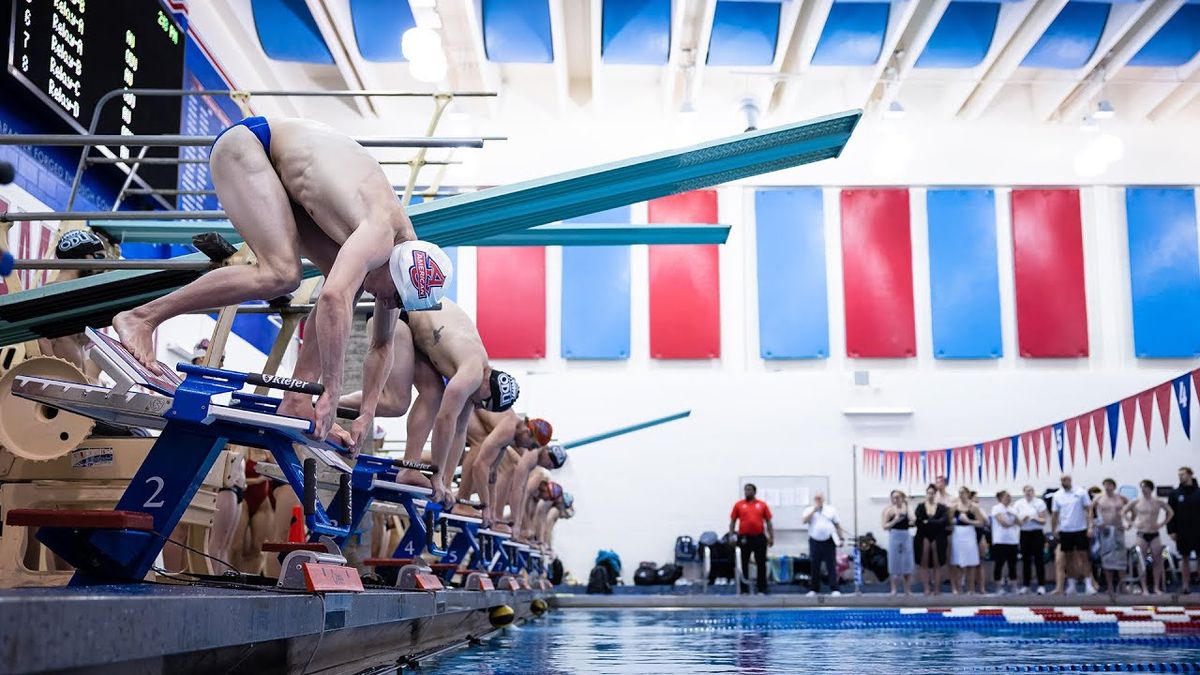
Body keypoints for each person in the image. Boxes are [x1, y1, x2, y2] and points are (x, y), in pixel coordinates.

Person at [111, 117, 451, 452]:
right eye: (392, 297)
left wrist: (367, 411)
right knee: (281, 274)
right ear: (392, 265)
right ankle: (142, 317)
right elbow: (332, 297)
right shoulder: (379, 233)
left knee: (344, 280)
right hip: (249, 147)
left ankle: (296, 397)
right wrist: (331, 391)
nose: (388, 304)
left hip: (286, 181)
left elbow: (382, 345)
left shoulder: (404, 260)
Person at [402, 299, 521, 507]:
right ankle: (334, 405)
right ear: (486, 395)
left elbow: (459, 431)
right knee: (394, 402)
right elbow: (444, 421)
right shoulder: (472, 374)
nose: (477, 407)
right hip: (401, 308)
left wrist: (446, 484)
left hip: (418, 327)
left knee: (432, 395)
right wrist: (436, 477)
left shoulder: (478, 376)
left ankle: (410, 468)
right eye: (482, 404)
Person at [457, 411, 552, 526]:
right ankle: (460, 502)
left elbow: (492, 474)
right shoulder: (509, 430)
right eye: (533, 446)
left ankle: (455, 494)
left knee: (491, 462)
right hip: (469, 404)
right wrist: (485, 506)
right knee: (479, 445)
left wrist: (490, 509)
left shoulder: (510, 435)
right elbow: (479, 466)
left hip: (473, 407)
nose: (530, 450)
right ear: (528, 432)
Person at [505, 444, 568, 539]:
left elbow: (531, 515)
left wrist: (530, 531)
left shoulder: (536, 496)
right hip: (505, 459)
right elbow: (522, 496)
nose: (545, 499)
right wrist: (520, 525)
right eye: (550, 465)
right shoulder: (538, 476)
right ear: (545, 488)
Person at [1124, 479, 1174, 595]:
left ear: (1151, 488)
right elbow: (1123, 512)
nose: (1143, 489)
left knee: (1158, 560)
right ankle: (1144, 588)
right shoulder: (1136, 501)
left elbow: (1170, 512)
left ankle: (1156, 587)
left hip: (1154, 533)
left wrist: (1162, 523)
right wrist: (1133, 523)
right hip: (1141, 534)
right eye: (1141, 487)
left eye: (1145, 487)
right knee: (1141, 561)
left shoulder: (1158, 501)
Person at [1051, 474, 1095, 594]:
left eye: (1065, 480)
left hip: (1080, 529)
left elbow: (1089, 509)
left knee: (1083, 556)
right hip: (1065, 530)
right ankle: (1071, 585)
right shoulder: (1057, 495)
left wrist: (1090, 526)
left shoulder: (1081, 492)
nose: (1063, 482)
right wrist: (1054, 529)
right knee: (1068, 558)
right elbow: (1055, 514)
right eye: (1062, 480)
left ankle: (1088, 584)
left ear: (1070, 480)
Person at [729, 483, 774, 595]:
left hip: (759, 537)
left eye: (749, 490)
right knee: (743, 563)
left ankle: (762, 589)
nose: (747, 492)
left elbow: (768, 522)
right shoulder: (738, 505)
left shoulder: (762, 505)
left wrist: (771, 536)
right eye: (745, 490)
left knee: (761, 563)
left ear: (754, 492)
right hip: (744, 538)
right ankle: (744, 589)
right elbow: (733, 521)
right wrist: (731, 536)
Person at [803, 493, 844, 596]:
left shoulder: (831, 510)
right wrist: (814, 510)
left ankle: (834, 588)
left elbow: (837, 524)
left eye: (820, 498)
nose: (818, 500)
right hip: (814, 540)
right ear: (814, 500)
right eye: (816, 498)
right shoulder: (809, 510)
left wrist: (841, 538)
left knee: (831, 565)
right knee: (814, 565)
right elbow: (804, 521)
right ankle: (814, 589)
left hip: (829, 540)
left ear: (823, 499)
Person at [1093, 478, 1129, 594]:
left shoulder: (1121, 498)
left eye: (1110, 485)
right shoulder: (1099, 499)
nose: (1107, 487)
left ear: (1114, 486)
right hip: (1106, 530)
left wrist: (1129, 523)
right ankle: (1110, 587)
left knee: (1121, 558)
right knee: (1107, 558)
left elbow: (1133, 508)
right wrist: (1095, 523)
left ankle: (1122, 586)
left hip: (1118, 529)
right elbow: (1090, 511)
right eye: (1105, 485)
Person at [1168, 467, 1200, 594]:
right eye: (1179, 475)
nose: (1180, 477)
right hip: (1182, 531)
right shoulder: (1175, 494)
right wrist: (1171, 531)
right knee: (1185, 558)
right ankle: (1185, 586)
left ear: (1190, 475)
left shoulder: (1199, 492)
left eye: (1183, 474)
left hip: (1198, 531)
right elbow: (1170, 514)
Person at [950, 487, 986, 594]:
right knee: (957, 562)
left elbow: (981, 523)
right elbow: (948, 521)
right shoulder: (954, 507)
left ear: (967, 494)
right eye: (959, 493)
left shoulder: (974, 507)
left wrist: (968, 521)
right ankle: (959, 589)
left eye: (963, 493)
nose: (961, 495)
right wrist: (954, 521)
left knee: (971, 562)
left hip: (969, 534)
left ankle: (971, 589)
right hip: (958, 534)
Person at [1013, 484, 1048, 594]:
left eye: (1031, 491)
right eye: (1026, 491)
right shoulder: (1018, 503)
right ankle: (1026, 585)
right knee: (1026, 561)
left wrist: (1033, 518)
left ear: (1033, 492)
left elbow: (1043, 520)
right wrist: (1022, 520)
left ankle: (1041, 585)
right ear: (1024, 492)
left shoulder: (1039, 503)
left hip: (1037, 533)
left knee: (1039, 560)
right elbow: (1016, 521)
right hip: (1024, 534)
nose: (1029, 493)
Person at [915, 484, 949, 595]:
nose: (930, 495)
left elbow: (943, 521)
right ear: (926, 494)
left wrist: (928, 521)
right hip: (923, 535)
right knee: (923, 562)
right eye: (928, 493)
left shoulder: (942, 508)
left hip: (938, 536)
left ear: (936, 494)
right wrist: (934, 522)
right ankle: (926, 588)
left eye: (932, 493)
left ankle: (937, 589)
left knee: (937, 563)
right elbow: (919, 521)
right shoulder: (920, 507)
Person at [881, 490, 914, 595]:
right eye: (894, 497)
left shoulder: (907, 508)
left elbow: (913, 519)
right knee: (894, 561)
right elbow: (884, 526)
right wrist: (895, 520)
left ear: (902, 497)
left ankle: (907, 589)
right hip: (894, 535)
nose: (896, 499)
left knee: (907, 562)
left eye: (898, 497)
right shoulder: (888, 510)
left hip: (905, 535)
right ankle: (894, 589)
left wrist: (911, 520)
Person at [990, 490, 1020, 595]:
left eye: (1010, 496)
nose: (1009, 498)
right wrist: (1013, 520)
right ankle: (998, 587)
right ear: (1001, 497)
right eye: (1007, 496)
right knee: (999, 564)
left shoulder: (1013, 509)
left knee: (1013, 565)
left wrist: (1015, 516)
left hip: (1012, 541)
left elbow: (1020, 523)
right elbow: (1003, 523)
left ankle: (1014, 587)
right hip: (1000, 541)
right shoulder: (996, 508)